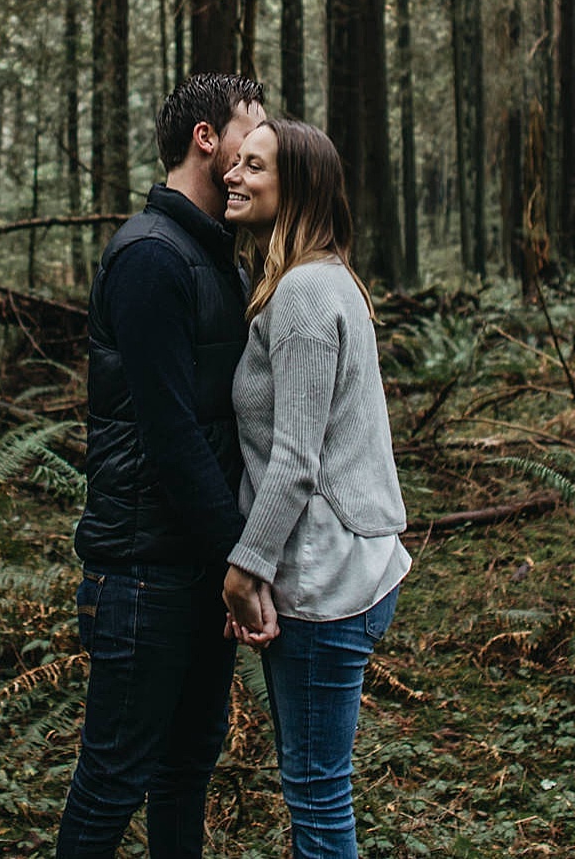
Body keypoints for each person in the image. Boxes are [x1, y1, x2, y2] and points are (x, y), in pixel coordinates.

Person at [57, 73, 267, 859]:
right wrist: (243, 559)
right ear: (207, 139)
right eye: (252, 127)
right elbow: (171, 433)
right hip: (143, 575)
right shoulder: (150, 256)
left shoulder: (222, 260)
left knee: (186, 775)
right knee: (113, 779)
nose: (262, 145)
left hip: (199, 567)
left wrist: (232, 562)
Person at [219, 118, 410, 859]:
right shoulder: (326, 279)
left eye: (255, 167)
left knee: (318, 794)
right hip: (349, 562)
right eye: (236, 163)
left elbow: (296, 460)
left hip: (325, 579)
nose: (235, 176)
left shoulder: (300, 295)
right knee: (317, 789)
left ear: (294, 187)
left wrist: (246, 569)